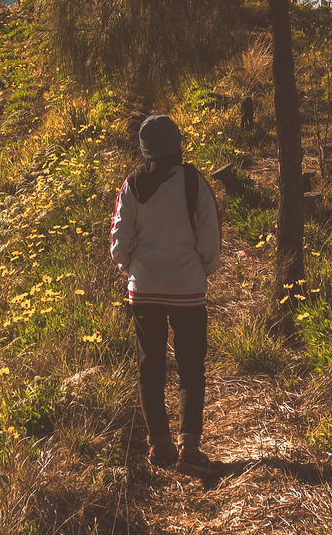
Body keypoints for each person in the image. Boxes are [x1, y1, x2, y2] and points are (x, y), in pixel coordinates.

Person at [110, 113, 221, 476]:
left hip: (144, 292)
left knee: (150, 366)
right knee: (191, 366)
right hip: (188, 289)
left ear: (145, 152)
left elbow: (118, 244)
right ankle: (190, 446)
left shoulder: (132, 186)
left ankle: (159, 444)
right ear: (178, 146)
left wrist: (132, 270)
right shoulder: (194, 182)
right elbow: (210, 239)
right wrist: (204, 268)